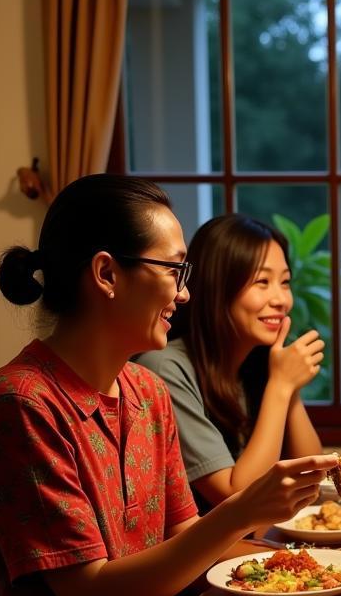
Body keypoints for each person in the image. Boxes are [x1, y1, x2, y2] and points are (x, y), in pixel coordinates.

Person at [0, 175, 335, 596]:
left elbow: (187, 537)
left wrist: (311, 579)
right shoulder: (21, 404)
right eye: (174, 269)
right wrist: (242, 511)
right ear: (106, 274)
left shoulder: (145, 394)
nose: (185, 292)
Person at [137, 214, 324, 511]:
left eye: (285, 282)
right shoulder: (164, 369)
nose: (281, 299)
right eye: (262, 281)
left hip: (251, 545)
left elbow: (313, 479)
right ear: (218, 286)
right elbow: (237, 498)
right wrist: (281, 385)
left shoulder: (257, 362)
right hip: (198, 555)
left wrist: (290, 388)